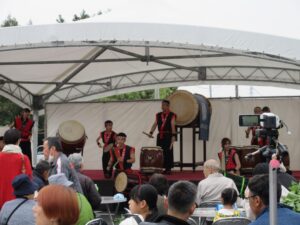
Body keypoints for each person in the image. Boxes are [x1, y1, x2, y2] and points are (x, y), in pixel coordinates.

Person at [0, 129, 32, 209]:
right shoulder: (24, 159)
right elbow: (29, 181)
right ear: (19, 141)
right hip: (17, 205)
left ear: (4, 141)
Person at [149, 100, 176, 174]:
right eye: (162, 105)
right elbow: (155, 124)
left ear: (167, 106)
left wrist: (173, 136)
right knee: (159, 152)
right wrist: (151, 132)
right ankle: (160, 167)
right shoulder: (158, 115)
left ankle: (168, 168)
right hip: (160, 136)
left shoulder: (172, 115)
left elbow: (173, 125)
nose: (162, 106)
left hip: (168, 135)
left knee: (168, 151)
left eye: (163, 105)